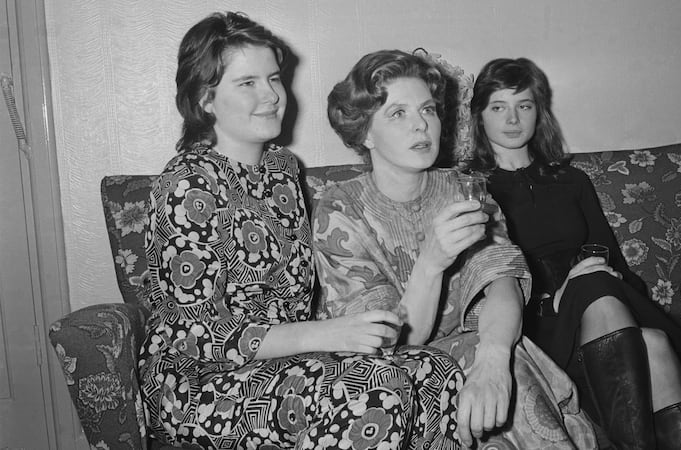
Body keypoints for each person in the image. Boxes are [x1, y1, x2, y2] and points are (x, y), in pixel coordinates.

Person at [138, 13, 464, 449]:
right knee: (376, 385)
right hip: (198, 383)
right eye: (248, 83)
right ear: (205, 98)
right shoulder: (187, 183)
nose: (272, 95)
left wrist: (347, 330)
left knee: (435, 371)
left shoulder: (282, 168)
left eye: (274, 78)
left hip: (282, 364)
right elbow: (195, 333)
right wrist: (325, 334)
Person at [314, 49, 599, 449]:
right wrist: (431, 263)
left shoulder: (462, 188)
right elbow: (394, 342)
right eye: (398, 113)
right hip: (391, 382)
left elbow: (503, 283)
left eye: (428, 110)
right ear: (365, 133)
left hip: (482, 351)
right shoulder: (340, 209)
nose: (421, 124)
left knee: (510, 368)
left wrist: (494, 359)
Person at [467, 57, 681, 449]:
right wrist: (556, 297)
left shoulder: (571, 179)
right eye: (498, 107)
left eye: (523, 105)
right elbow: (480, 282)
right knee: (652, 341)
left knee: (645, 335)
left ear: (538, 111)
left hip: (599, 304)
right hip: (533, 318)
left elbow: (613, 260)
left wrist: (603, 278)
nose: (513, 119)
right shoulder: (473, 189)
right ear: (479, 116)